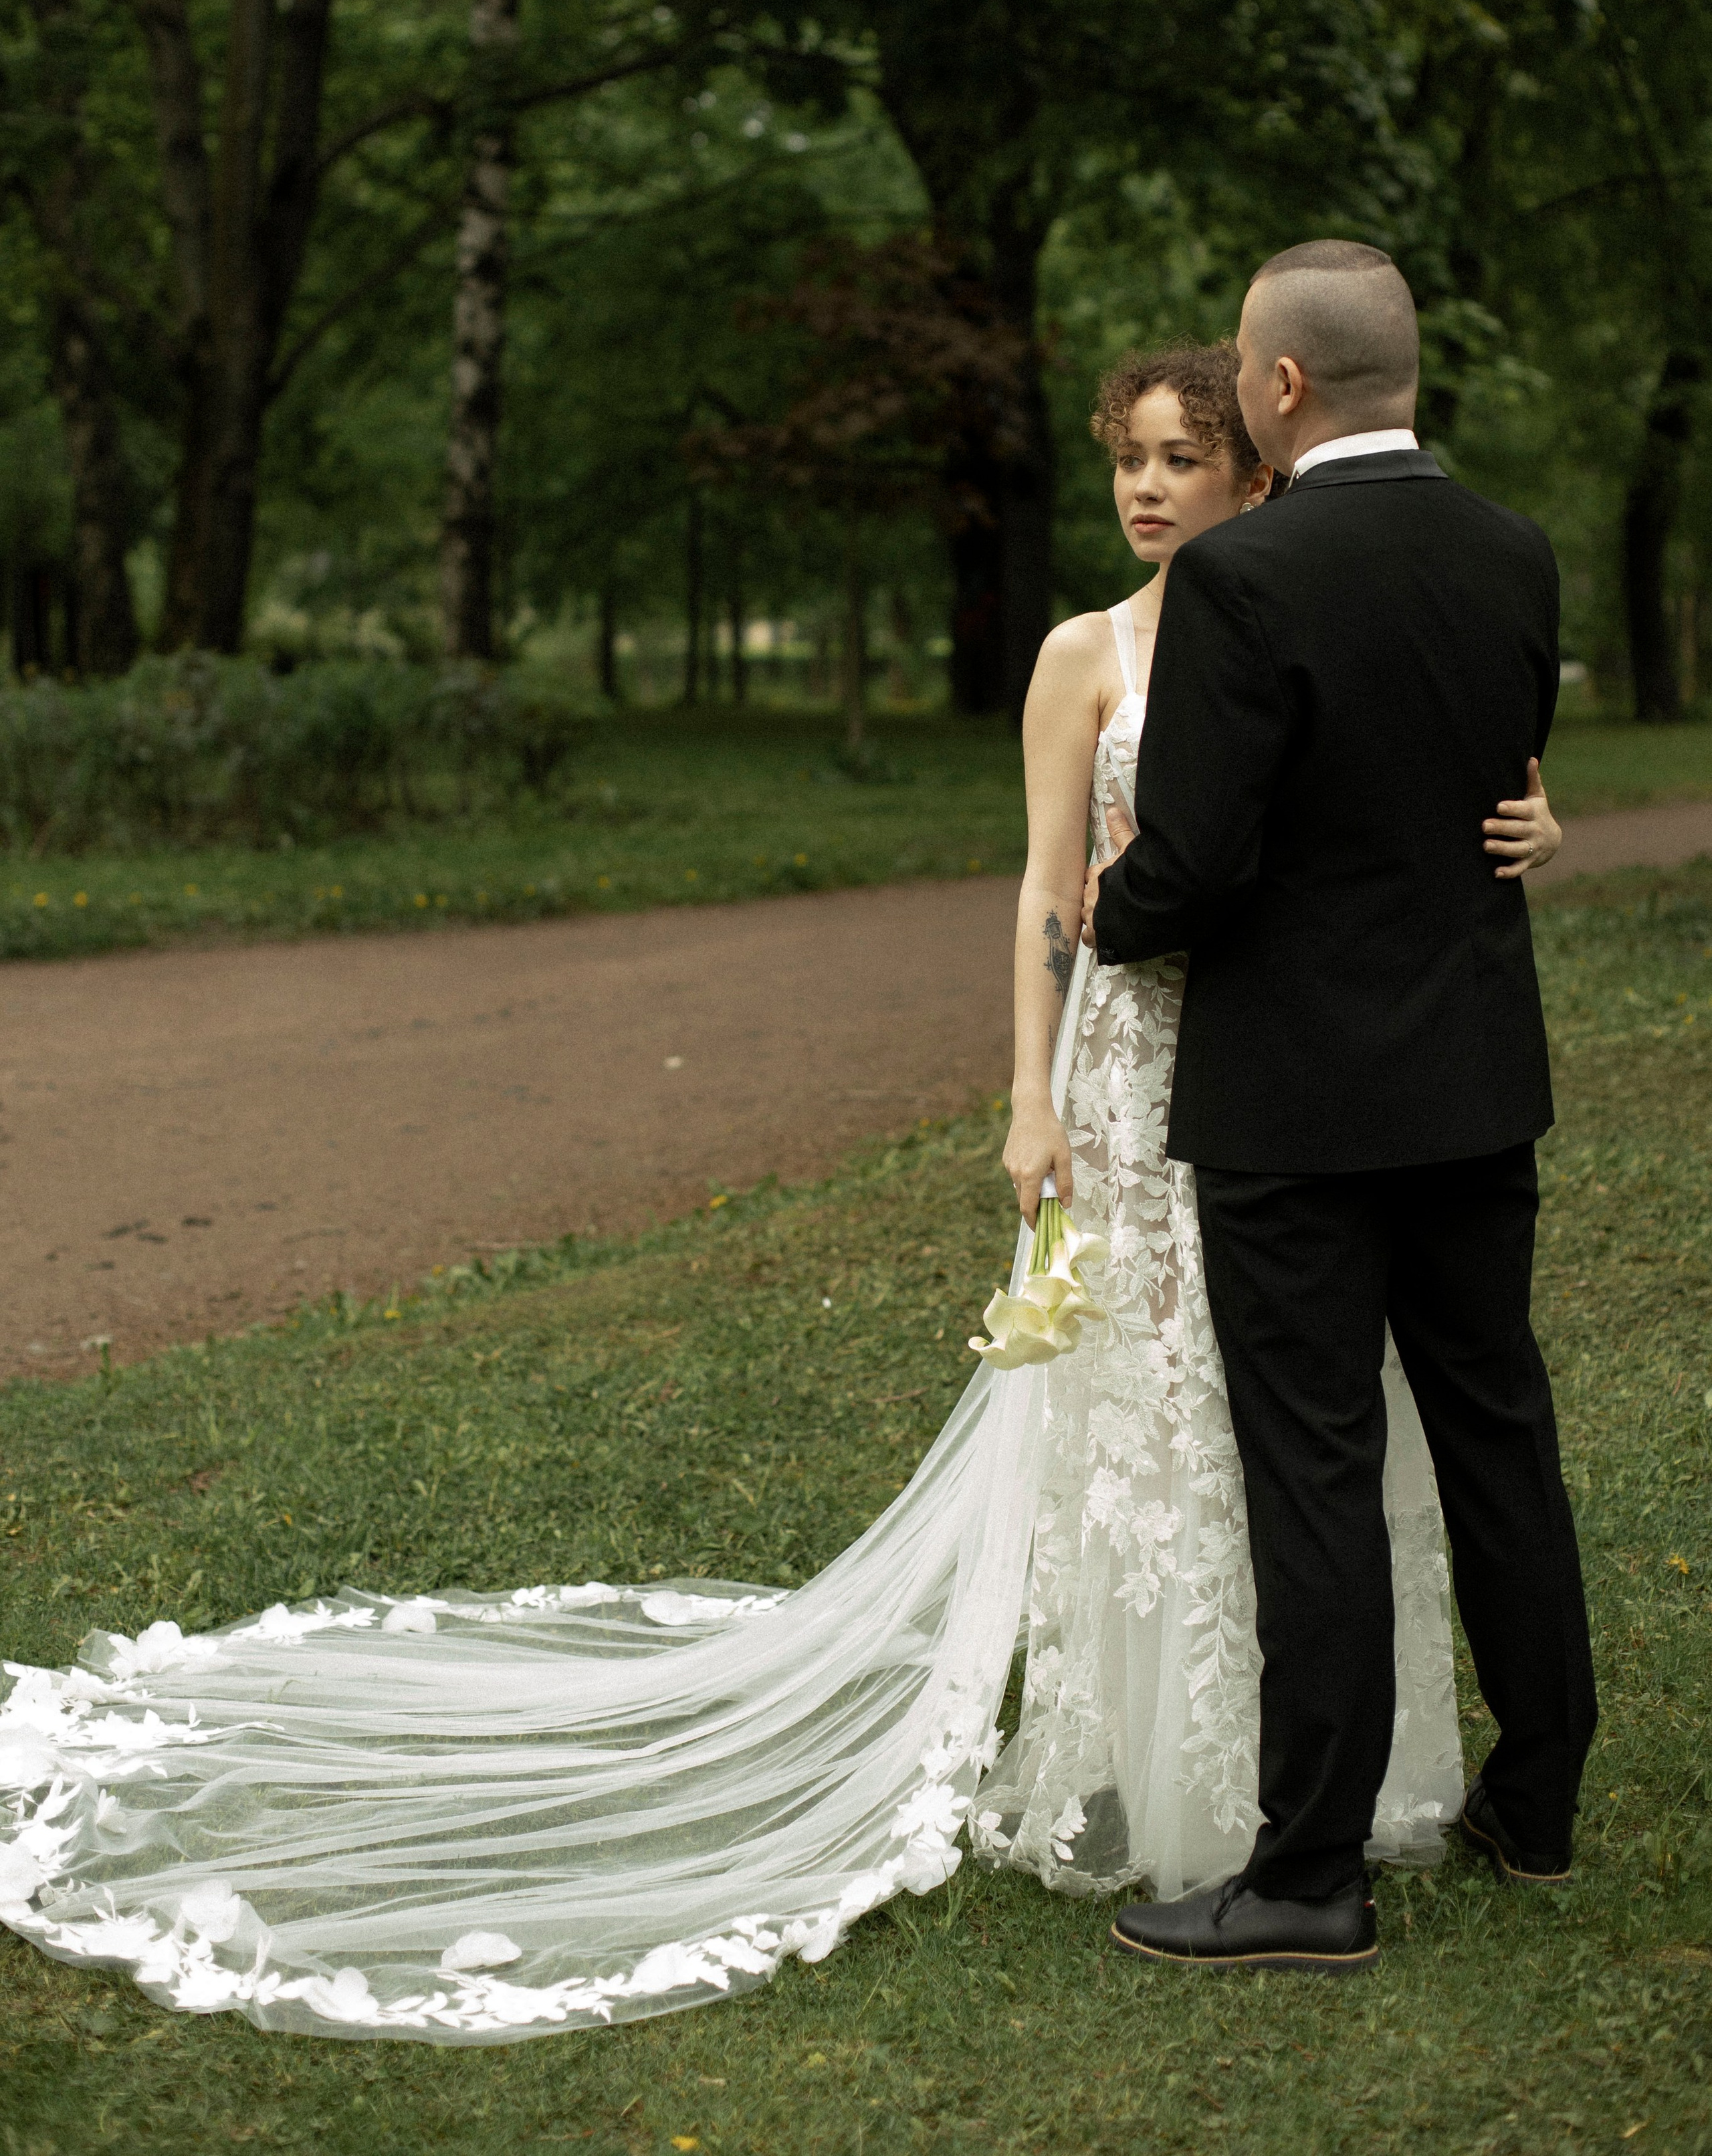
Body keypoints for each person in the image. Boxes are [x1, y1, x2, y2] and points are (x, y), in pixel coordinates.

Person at [0, 332, 1564, 2042]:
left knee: (1305, 1443)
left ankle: (1324, 1802)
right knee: (1181, 1430)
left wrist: (1532, 830)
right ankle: (1170, 1771)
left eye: (1175, 457)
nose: (1137, 485)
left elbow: (1390, 807)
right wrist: (1026, 1090)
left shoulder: (1297, 599)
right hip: (1148, 1082)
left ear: (1255, 454)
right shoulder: (1082, 654)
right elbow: (1050, 893)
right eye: (1122, 457)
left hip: (1276, 1088)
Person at [1087, 244, 1597, 1976]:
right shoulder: (1515, 551)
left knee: (1313, 1465)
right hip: (1470, 1076)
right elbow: (1492, 785)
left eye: (1235, 375)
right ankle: (1540, 1799)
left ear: (1281, 391)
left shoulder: (1247, 576)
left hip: (1296, 1103)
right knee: (1495, 1425)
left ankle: (1309, 1875)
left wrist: (1118, 908)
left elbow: (1203, 853)